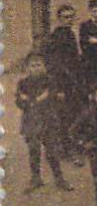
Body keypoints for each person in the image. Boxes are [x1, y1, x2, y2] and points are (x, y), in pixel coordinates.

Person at [15, 52, 72, 193]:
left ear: (44, 67)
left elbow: (51, 97)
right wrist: (37, 100)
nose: (36, 68)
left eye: (39, 65)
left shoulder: (50, 80)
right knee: (33, 150)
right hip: (31, 122)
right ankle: (36, 179)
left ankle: (59, 179)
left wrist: (30, 100)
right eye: (33, 66)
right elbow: (19, 102)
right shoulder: (22, 83)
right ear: (27, 68)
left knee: (52, 151)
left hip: (48, 121)